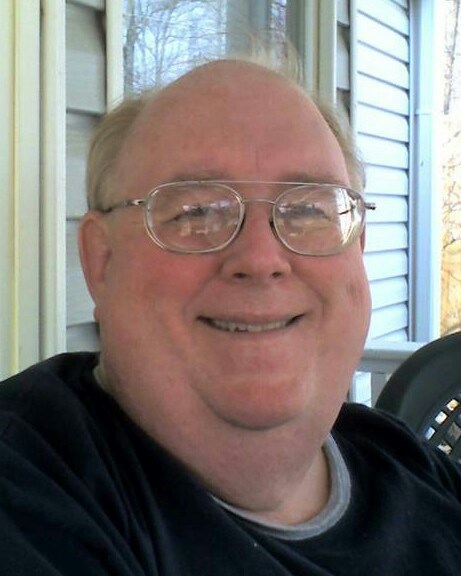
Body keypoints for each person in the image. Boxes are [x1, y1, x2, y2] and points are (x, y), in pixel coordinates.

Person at [1, 55, 461, 575]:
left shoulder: (413, 466)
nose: (261, 259)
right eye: (195, 212)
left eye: (307, 210)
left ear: (358, 248)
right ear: (101, 261)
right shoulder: (29, 487)